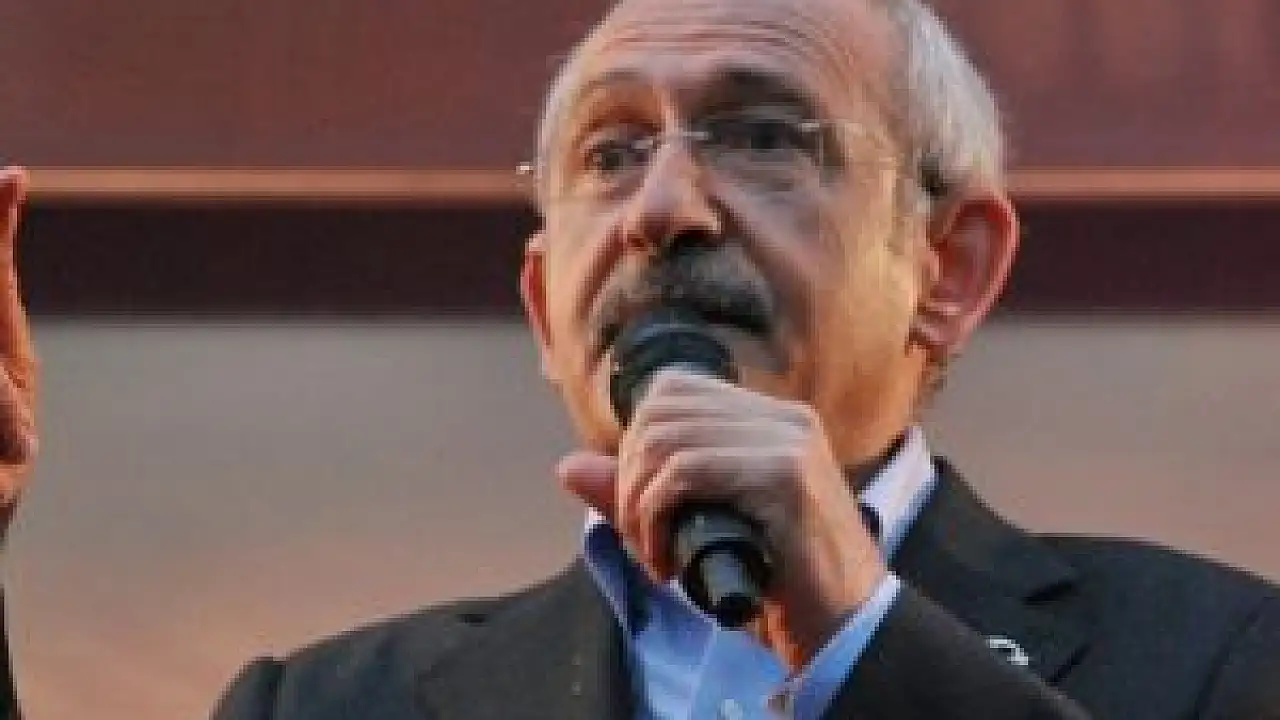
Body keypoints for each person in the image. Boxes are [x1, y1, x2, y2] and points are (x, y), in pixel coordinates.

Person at [1, 0, 1278, 717]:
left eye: (761, 137)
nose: (663, 208)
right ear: (542, 301)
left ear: (947, 267)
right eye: (610, 155)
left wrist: (859, 639)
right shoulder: (328, 707)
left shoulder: (1219, 656)